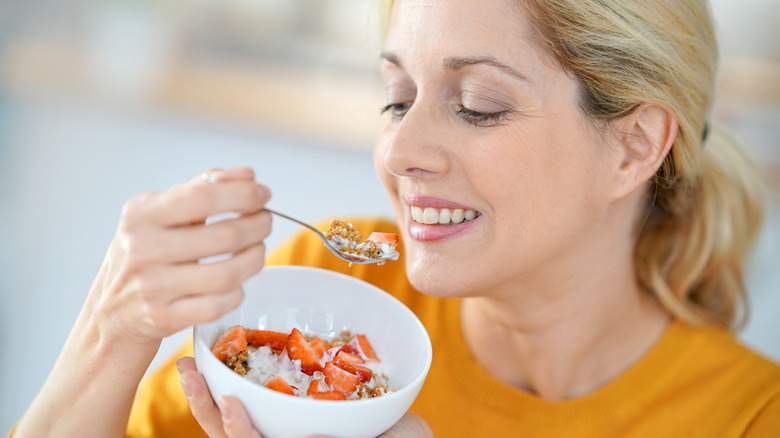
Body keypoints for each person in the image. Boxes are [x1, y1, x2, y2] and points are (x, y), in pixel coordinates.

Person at [9, 0, 780, 436]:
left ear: (633, 147)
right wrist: (112, 332)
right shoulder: (322, 301)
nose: (400, 151)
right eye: (396, 99)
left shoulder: (747, 418)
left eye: (478, 107)